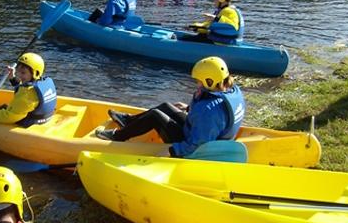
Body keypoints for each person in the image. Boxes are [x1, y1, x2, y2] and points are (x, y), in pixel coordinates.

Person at [96, 56, 245, 158]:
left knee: (155, 116)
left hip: (197, 149)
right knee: (167, 106)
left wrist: (172, 151)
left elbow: (198, 143)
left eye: (199, 81)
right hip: (204, 131)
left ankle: (118, 136)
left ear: (210, 81)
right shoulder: (232, 90)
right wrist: (188, 108)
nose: (197, 84)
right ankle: (128, 121)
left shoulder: (209, 111)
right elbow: (217, 117)